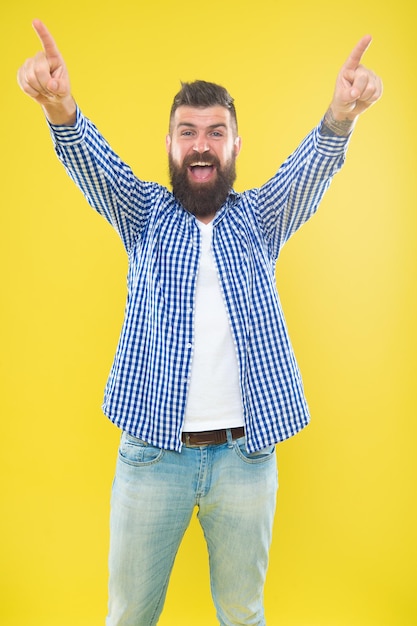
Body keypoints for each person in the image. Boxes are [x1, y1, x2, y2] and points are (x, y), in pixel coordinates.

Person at [17, 19, 382, 626]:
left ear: (235, 146)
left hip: (246, 458)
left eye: (216, 132)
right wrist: (60, 108)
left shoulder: (260, 218)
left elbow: (310, 170)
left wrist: (342, 114)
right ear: (170, 146)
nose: (202, 144)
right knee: (130, 614)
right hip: (151, 456)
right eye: (188, 132)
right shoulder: (144, 214)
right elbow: (96, 167)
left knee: (242, 613)